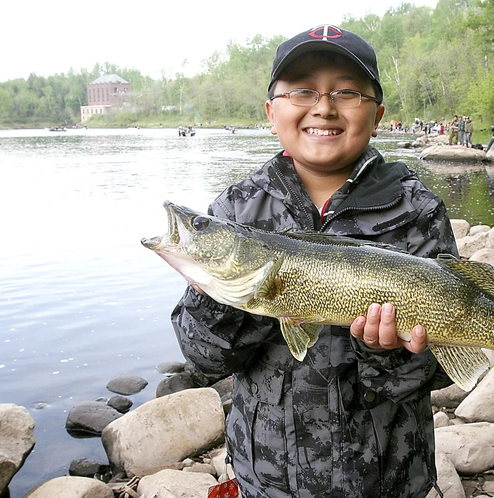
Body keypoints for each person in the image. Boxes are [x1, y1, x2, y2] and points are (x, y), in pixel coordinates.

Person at [170, 24, 457, 498]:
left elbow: (441, 368)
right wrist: (219, 297)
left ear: (378, 114)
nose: (324, 106)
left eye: (347, 93)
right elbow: (203, 359)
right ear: (271, 112)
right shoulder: (237, 210)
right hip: (268, 479)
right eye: (302, 90)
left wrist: (385, 353)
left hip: (386, 479)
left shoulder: (417, 211)